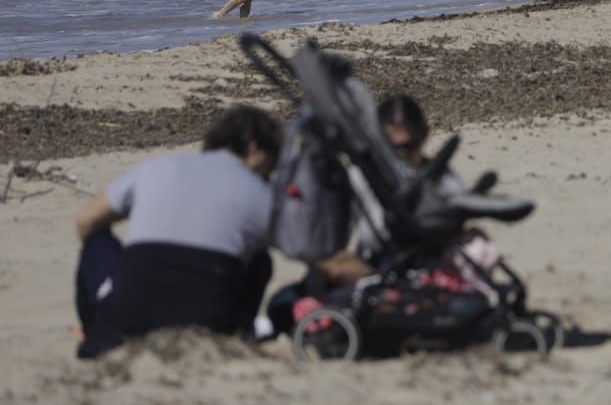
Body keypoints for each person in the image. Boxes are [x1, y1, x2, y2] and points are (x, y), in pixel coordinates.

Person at [74, 106, 281, 358]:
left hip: (129, 317)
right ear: (254, 149)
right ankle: (237, 331)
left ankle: (95, 331)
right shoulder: (259, 191)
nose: (268, 176)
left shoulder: (159, 166)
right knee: (260, 260)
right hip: (210, 322)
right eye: (269, 167)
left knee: (97, 241)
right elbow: (303, 247)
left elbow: (85, 221)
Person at [264, 95, 465, 337]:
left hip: (416, 268)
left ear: (423, 136)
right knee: (282, 301)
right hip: (373, 265)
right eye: (392, 148)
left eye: (408, 146)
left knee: (292, 305)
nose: (400, 155)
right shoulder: (362, 177)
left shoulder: (443, 180)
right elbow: (338, 237)